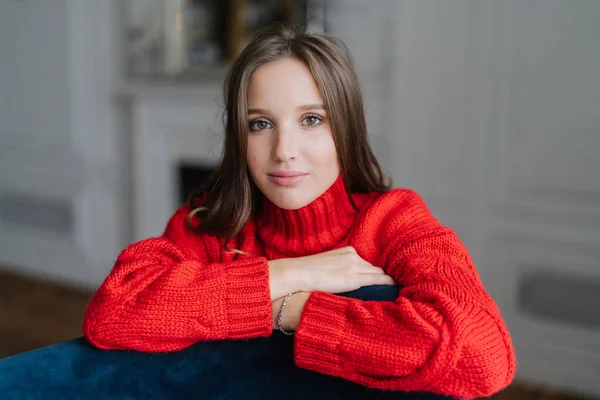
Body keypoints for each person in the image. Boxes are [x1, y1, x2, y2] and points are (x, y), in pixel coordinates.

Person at [83, 24, 516, 398]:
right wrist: (292, 275)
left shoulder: (393, 220)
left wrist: (295, 311)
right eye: (260, 124)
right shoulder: (210, 223)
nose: (284, 151)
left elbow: (483, 354)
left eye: (311, 120)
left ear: (345, 129)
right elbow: (114, 312)